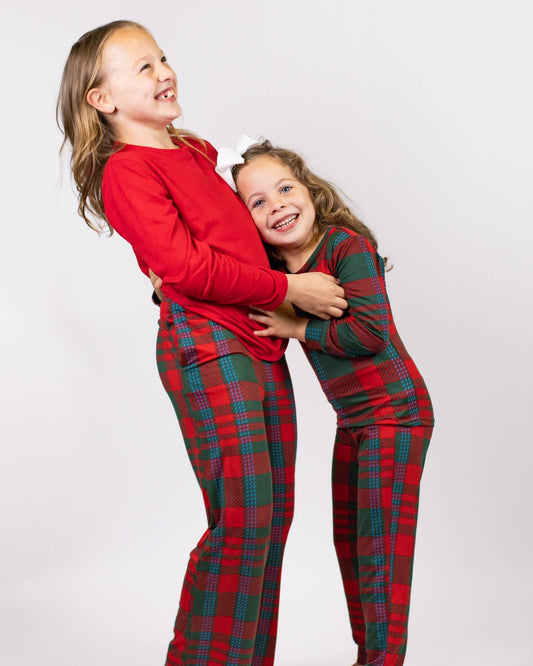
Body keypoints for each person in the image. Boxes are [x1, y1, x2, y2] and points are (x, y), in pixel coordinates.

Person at [56, 21, 348, 666]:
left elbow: (225, 241)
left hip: (257, 340)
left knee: (268, 524)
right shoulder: (127, 171)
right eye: (142, 67)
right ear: (102, 99)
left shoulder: (194, 153)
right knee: (244, 521)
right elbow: (186, 268)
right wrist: (288, 289)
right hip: (209, 346)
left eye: (162, 58)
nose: (164, 72)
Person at [233, 140, 434, 666]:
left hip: (396, 415)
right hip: (354, 421)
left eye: (285, 188)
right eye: (258, 202)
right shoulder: (276, 273)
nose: (277, 204)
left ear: (310, 191)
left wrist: (298, 327)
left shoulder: (345, 248)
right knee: (351, 545)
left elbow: (370, 333)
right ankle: (368, 656)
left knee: (380, 552)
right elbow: (221, 275)